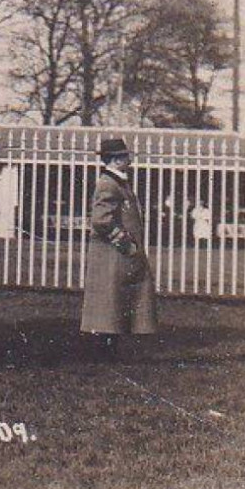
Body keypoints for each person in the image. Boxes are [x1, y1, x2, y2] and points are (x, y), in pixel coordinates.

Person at [81, 136, 157, 354]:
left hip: (119, 256)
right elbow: (102, 220)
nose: (128, 159)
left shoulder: (117, 182)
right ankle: (105, 351)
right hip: (113, 254)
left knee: (115, 302)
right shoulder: (108, 184)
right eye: (124, 156)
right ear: (115, 160)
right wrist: (125, 243)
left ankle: (110, 349)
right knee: (110, 303)